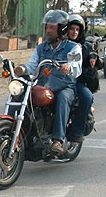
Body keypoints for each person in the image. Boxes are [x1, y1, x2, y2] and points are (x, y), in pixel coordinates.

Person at [20, 10, 82, 154]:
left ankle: (57, 140)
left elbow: (76, 66)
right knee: (20, 93)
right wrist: (21, 69)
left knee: (63, 98)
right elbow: (32, 66)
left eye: (52, 28)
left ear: (62, 29)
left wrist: (69, 67)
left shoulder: (73, 47)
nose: (48, 31)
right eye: (47, 27)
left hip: (64, 87)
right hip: (43, 86)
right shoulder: (41, 48)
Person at [66, 14, 98, 143]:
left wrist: (94, 59)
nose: (74, 32)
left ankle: (77, 131)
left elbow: (97, 60)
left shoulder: (85, 46)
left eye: (77, 29)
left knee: (87, 97)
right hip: (57, 80)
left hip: (77, 81)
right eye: (71, 28)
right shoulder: (60, 43)